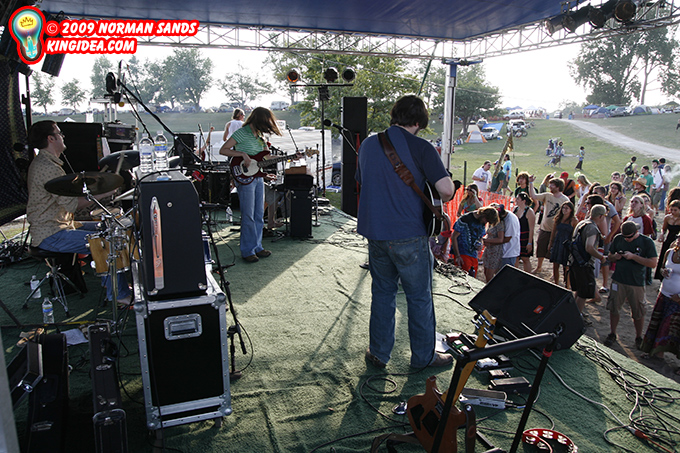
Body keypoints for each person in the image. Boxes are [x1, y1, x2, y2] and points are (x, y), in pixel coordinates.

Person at [355, 95, 455, 369]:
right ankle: (423, 357)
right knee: (419, 297)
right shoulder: (422, 147)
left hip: (375, 233)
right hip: (408, 233)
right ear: (419, 122)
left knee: (383, 293)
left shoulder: (368, 144)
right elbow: (446, 191)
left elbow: (361, 180)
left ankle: (378, 353)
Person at [26, 120, 131, 305]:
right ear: (51, 139)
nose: (63, 137)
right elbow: (73, 205)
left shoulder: (47, 162)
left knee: (107, 227)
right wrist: (104, 193)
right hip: (50, 233)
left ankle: (111, 283)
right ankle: (119, 295)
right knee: (108, 241)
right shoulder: (48, 168)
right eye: (60, 133)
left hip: (60, 225)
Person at [220, 107, 282, 262]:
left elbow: (265, 158)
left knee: (259, 214)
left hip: (258, 178)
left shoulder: (260, 136)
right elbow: (224, 150)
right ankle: (248, 250)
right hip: (244, 178)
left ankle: (257, 247)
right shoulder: (241, 133)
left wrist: (292, 157)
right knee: (248, 215)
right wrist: (242, 154)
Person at [604, 221, 658, 349]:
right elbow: (609, 256)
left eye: (629, 237)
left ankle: (639, 337)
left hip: (636, 282)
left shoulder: (646, 242)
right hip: (619, 279)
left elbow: (652, 263)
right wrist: (615, 257)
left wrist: (633, 257)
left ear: (636, 233)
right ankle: (612, 333)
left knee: (638, 311)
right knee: (614, 307)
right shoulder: (618, 239)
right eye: (625, 237)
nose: (627, 240)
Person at [640, 238, 680, 370]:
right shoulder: (670, 252)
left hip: (678, 300)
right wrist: (663, 272)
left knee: (675, 329)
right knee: (659, 324)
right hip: (664, 294)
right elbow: (663, 268)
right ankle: (657, 354)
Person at [569, 204, 606, 318]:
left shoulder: (582, 223)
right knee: (583, 293)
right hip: (583, 264)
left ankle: (574, 312)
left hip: (574, 261)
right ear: (600, 216)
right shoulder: (592, 228)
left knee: (579, 290)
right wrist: (601, 257)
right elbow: (589, 247)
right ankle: (576, 317)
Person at [528, 174, 569, 274]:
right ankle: (539, 267)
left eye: (552, 185)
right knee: (541, 247)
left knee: (555, 251)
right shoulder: (547, 195)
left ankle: (555, 272)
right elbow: (533, 196)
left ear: (558, 187)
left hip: (557, 230)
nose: (549, 186)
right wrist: (531, 183)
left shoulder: (565, 200)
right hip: (544, 228)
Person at [450, 207, 500, 277]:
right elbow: (454, 237)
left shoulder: (482, 222)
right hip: (462, 252)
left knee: (473, 275)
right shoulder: (466, 219)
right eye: (486, 220)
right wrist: (458, 255)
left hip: (473, 254)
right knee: (464, 276)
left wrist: (481, 244)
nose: (485, 222)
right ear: (483, 215)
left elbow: (480, 237)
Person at [549, 201, 578, 286]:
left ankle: (567, 285)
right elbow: (553, 231)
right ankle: (556, 283)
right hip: (558, 243)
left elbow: (575, 234)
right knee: (555, 264)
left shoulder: (574, 220)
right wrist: (551, 243)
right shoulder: (558, 218)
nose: (564, 210)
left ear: (571, 210)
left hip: (567, 245)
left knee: (567, 266)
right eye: (563, 208)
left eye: (566, 208)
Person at [655, 200, 680, 281]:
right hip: (668, 239)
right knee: (664, 257)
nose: (672, 212)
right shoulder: (668, 218)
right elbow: (664, 229)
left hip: (677, 241)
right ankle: (661, 276)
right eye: (671, 209)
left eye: (675, 210)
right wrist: (662, 234)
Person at [481, 208, 505, 282]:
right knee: (485, 272)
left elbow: (500, 239)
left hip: (495, 251)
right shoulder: (490, 224)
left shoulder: (500, 224)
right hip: (488, 249)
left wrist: (486, 240)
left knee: (490, 274)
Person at [514, 192, 535, 272]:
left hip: (525, 237)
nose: (516, 200)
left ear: (523, 201)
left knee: (525, 258)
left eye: (518, 199)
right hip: (517, 237)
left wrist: (529, 243)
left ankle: (527, 276)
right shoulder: (516, 209)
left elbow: (531, 229)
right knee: (516, 257)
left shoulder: (530, 212)